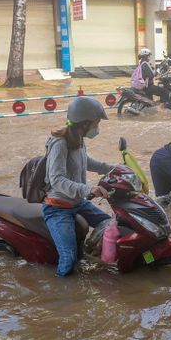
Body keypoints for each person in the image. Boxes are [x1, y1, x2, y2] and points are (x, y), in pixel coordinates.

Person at [42, 97, 116, 277]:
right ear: (84, 123)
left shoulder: (78, 139)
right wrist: (88, 189)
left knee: (111, 225)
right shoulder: (60, 143)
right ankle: (65, 297)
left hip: (77, 203)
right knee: (68, 257)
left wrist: (113, 168)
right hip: (57, 207)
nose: (97, 128)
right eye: (96, 123)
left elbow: (87, 162)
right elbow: (57, 179)